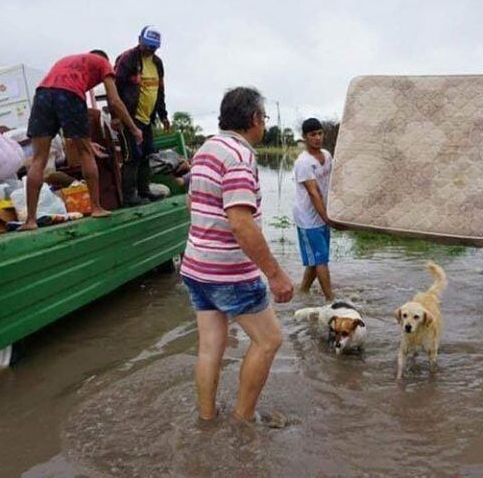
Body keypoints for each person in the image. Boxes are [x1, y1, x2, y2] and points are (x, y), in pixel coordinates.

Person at [180, 87, 294, 423]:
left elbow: (192, 202)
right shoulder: (240, 156)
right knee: (269, 340)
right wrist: (275, 274)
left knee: (210, 346)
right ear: (255, 119)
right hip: (228, 273)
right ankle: (243, 422)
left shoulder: (205, 150)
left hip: (196, 267)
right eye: (264, 118)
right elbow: (241, 223)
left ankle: (207, 418)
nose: (264, 125)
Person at [21, 50, 142, 231]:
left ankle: (30, 220)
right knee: (85, 153)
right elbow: (114, 100)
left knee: (39, 159)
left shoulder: (66, 59)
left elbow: (57, 99)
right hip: (69, 95)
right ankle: (96, 208)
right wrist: (133, 128)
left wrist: (83, 139)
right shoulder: (103, 63)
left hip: (42, 94)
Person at [114, 26, 170, 206]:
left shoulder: (157, 64)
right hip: (129, 117)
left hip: (147, 117)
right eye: (147, 45)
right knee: (133, 156)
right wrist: (116, 116)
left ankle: (144, 192)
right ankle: (129, 196)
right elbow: (113, 88)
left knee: (146, 154)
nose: (149, 49)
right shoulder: (127, 59)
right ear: (139, 40)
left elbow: (160, 91)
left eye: (153, 47)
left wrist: (163, 115)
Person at [293, 117, 335, 301]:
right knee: (320, 259)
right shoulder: (303, 162)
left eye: (319, 133)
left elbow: (332, 183)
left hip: (323, 213)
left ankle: (302, 292)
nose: (317, 138)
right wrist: (326, 217)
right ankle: (331, 300)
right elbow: (313, 193)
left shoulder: (327, 155)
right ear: (305, 137)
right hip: (308, 219)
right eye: (312, 135)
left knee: (316, 257)